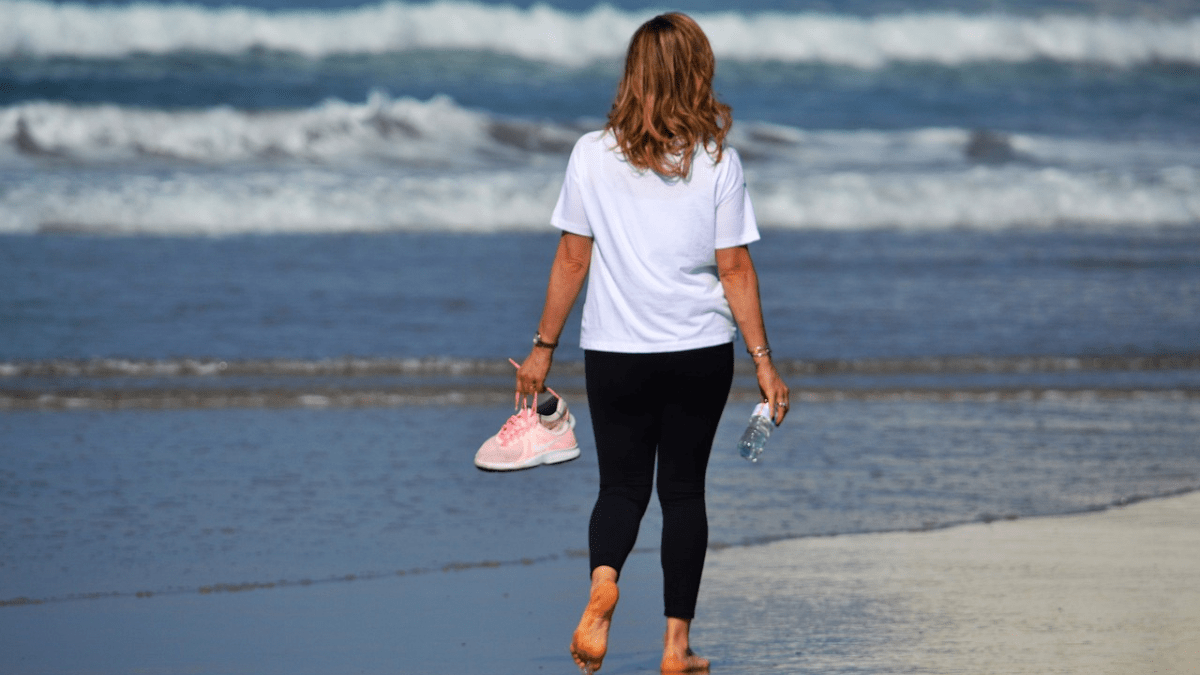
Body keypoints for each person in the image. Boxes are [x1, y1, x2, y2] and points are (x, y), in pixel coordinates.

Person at [514, 12, 789, 674]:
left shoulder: (590, 154)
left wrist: (542, 347)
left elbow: (572, 261)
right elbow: (735, 270)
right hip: (699, 351)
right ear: (698, 73)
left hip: (617, 352)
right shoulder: (719, 160)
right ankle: (675, 647)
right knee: (684, 494)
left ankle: (604, 579)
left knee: (621, 488)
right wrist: (764, 362)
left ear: (633, 75)